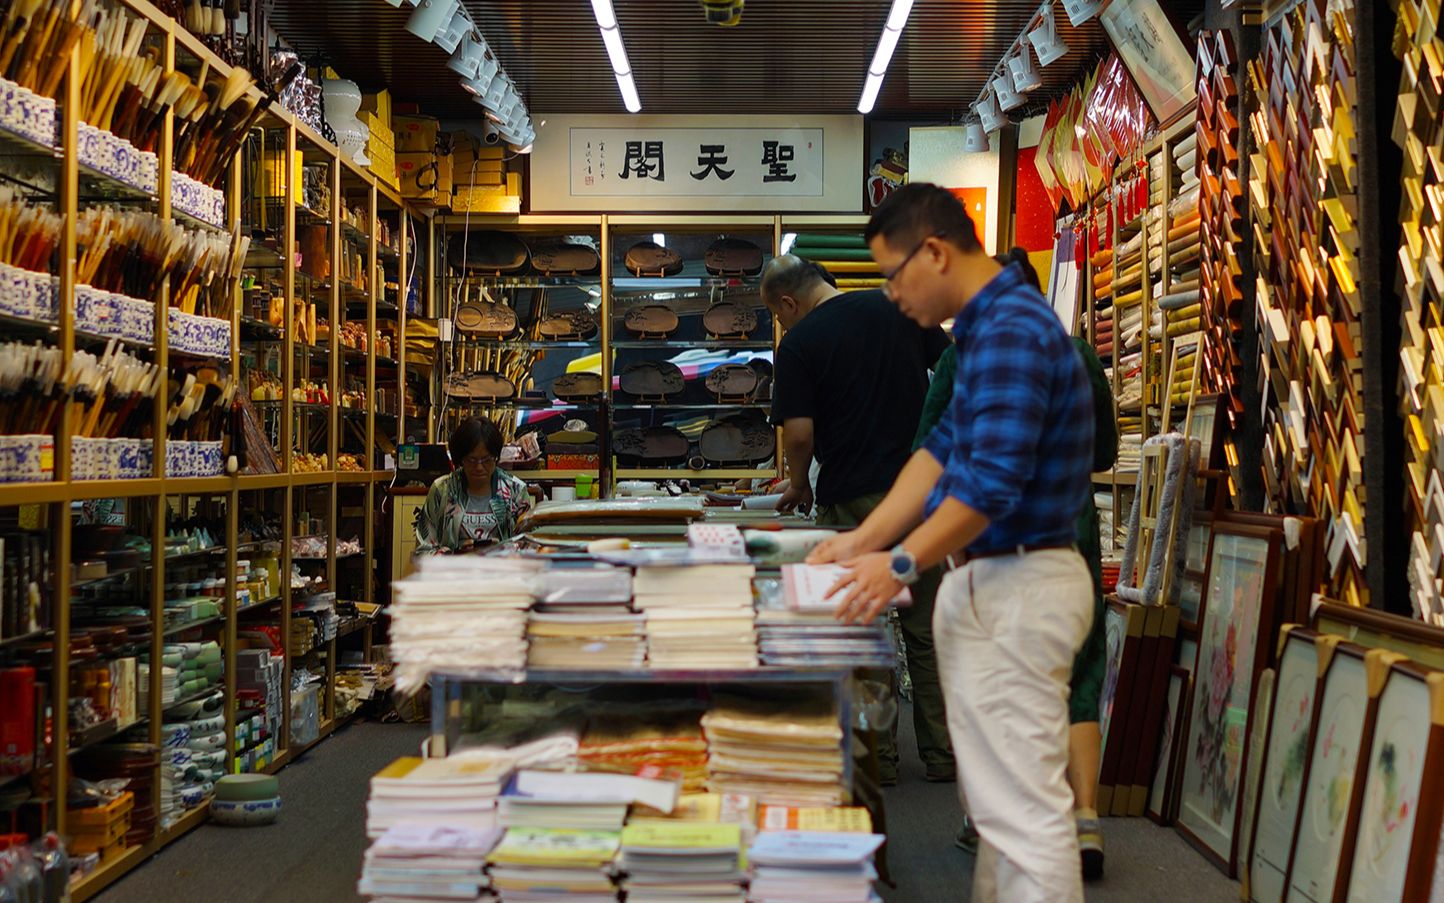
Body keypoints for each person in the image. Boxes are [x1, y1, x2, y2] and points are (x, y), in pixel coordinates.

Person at [812, 184, 1096, 903]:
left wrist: (901, 561)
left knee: (1026, 815)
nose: (891, 294)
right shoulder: (984, 329)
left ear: (934, 251)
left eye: (893, 273)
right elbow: (939, 454)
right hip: (999, 583)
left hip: (1019, 584)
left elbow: (992, 482)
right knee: (1004, 813)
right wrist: (863, 539)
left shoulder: (1009, 330)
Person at [917, 247, 1118, 879]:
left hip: (986, 538)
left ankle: (991, 817)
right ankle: (1084, 818)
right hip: (1069, 530)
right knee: (1076, 672)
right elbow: (1105, 451)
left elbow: (933, 450)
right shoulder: (1079, 355)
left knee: (994, 675)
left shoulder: (961, 358)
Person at [762, 254, 955, 786]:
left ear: (787, 302)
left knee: (866, 631)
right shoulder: (898, 307)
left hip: (852, 501)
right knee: (926, 627)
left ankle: (879, 758)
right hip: (920, 495)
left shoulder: (799, 344)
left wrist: (799, 482)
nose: (783, 325)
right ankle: (942, 756)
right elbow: (954, 369)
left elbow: (799, 434)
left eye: (779, 317)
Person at [414, 417, 533, 555]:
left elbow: (529, 547)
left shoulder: (515, 490)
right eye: (471, 460)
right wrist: (456, 556)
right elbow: (423, 550)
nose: (479, 467)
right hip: (454, 573)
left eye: (487, 460)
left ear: (496, 457)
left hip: (501, 573)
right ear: (460, 459)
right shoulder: (442, 489)